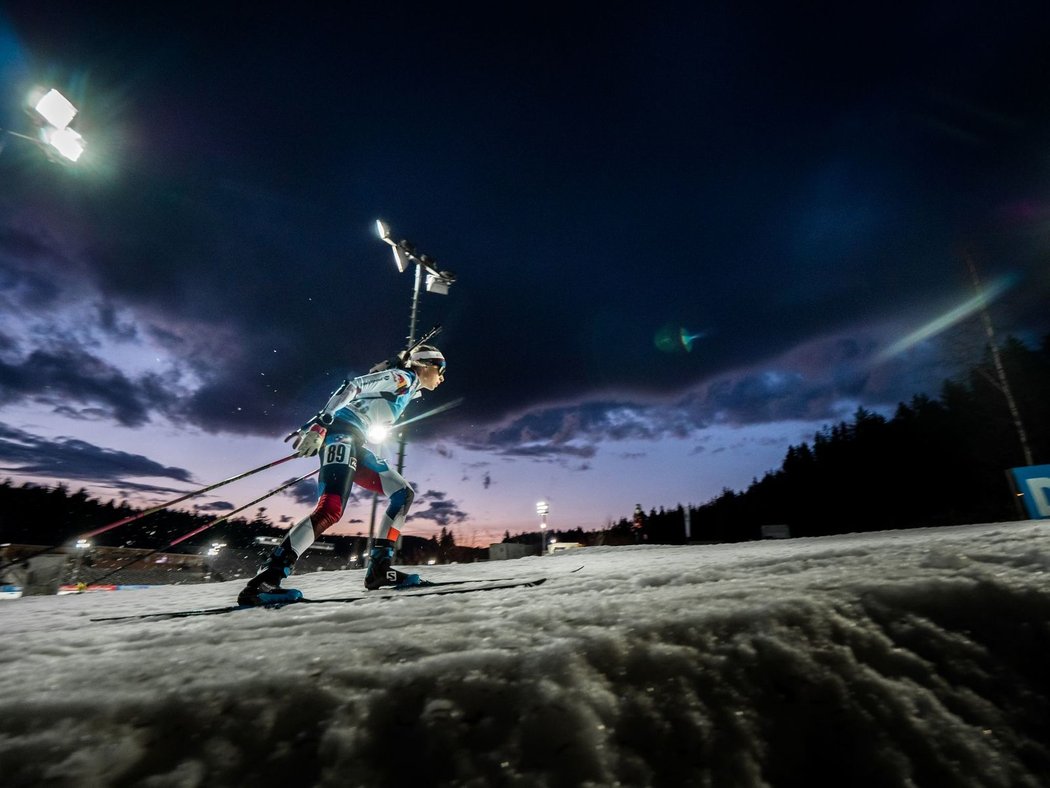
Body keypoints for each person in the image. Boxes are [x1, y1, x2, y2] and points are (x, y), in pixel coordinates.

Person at [237, 344, 447, 606]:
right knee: (331, 509)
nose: (442, 377)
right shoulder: (403, 378)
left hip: (355, 441)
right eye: (441, 369)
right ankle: (265, 582)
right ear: (427, 365)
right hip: (340, 433)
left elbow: (378, 377)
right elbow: (355, 386)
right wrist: (320, 424)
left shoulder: (407, 382)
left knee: (402, 494)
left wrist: (395, 361)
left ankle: (379, 570)